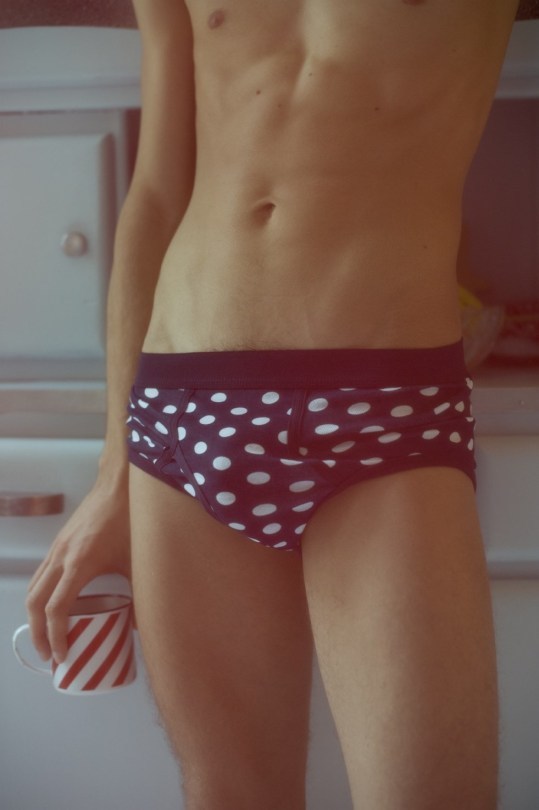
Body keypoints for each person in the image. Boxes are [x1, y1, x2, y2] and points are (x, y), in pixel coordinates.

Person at [26, 2, 522, 808]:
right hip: (180, 401)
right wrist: (113, 476)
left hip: (385, 403)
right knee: (232, 793)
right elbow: (156, 195)